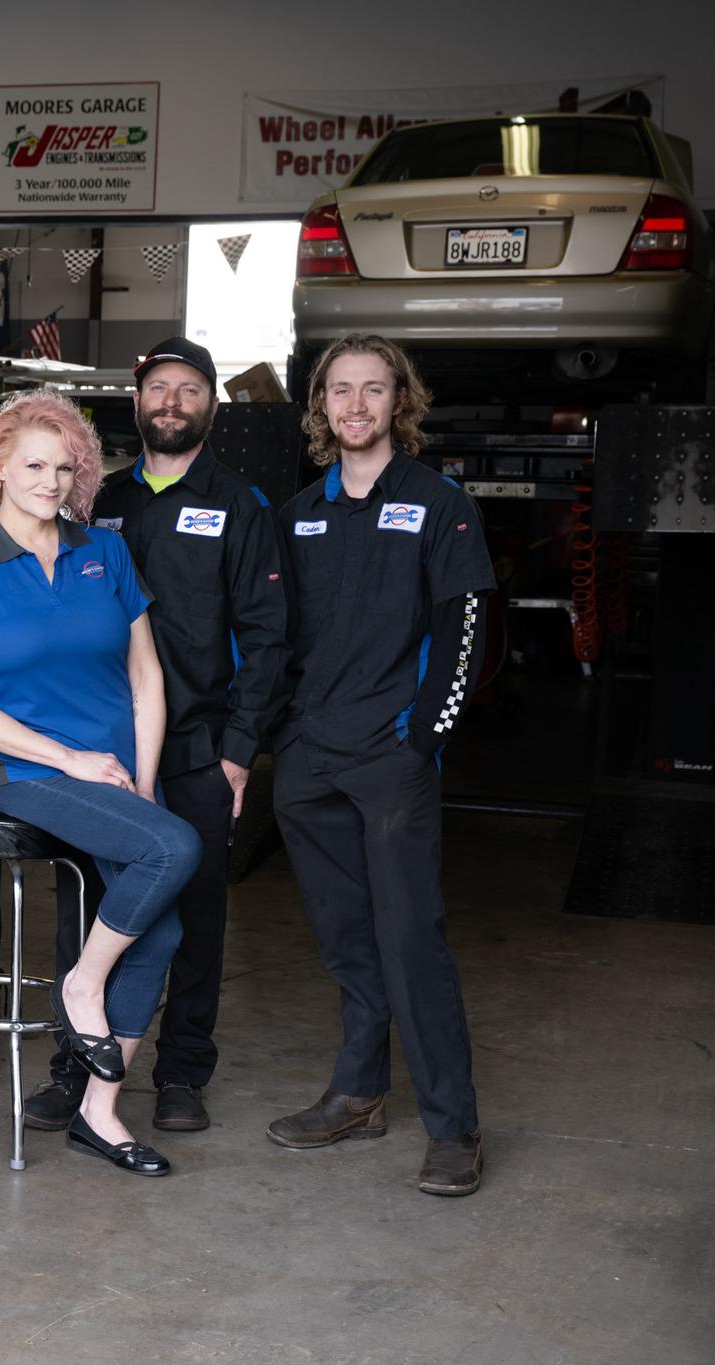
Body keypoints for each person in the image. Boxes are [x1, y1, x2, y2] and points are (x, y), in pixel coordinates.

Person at [0, 390, 201, 1177]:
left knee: (164, 929)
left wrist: (142, 778)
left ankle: (98, 1114)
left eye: (63, 467)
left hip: (118, 767)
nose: (50, 481)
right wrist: (69, 759)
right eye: (33, 466)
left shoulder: (104, 553)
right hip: (29, 770)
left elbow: (146, 678)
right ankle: (84, 983)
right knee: (174, 849)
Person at [26, 337, 290, 1135]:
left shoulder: (241, 503)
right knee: (89, 914)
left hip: (198, 748)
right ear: (137, 402)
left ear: (210, 405)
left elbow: (268, 636)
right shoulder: (97, 500)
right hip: (100, 748)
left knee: (198, 917)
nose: (171, 401)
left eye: (189, 389)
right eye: (158, 388)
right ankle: (76, 1066)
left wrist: (239, 752)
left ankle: (181, 1071)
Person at [267, 333, 494, 1197]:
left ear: (401, 400)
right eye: (340, 389)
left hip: (391, 760)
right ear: (321, 405)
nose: (355, 404)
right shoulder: (298, 513)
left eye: (372, 388)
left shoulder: (440, 504)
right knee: (346, 940)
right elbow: (274, 636)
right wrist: (283, 736)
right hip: (310, 762)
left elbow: (463, 636)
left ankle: (453, 1126)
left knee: (410, 942)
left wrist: (420, 742)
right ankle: (360, 1091)